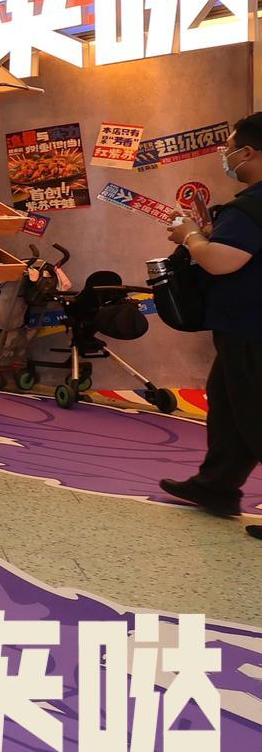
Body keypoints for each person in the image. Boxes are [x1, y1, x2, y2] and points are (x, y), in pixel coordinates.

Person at [156, 112, 262, 539]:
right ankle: (216, 485)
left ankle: (216, 484)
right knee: (230, 405)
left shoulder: (250, 207)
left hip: (252, 330)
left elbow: (221, 260)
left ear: (249, 152)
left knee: (254, 411)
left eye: (230, 148)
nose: (226, 156)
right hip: (245, 328)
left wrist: (190, 235)